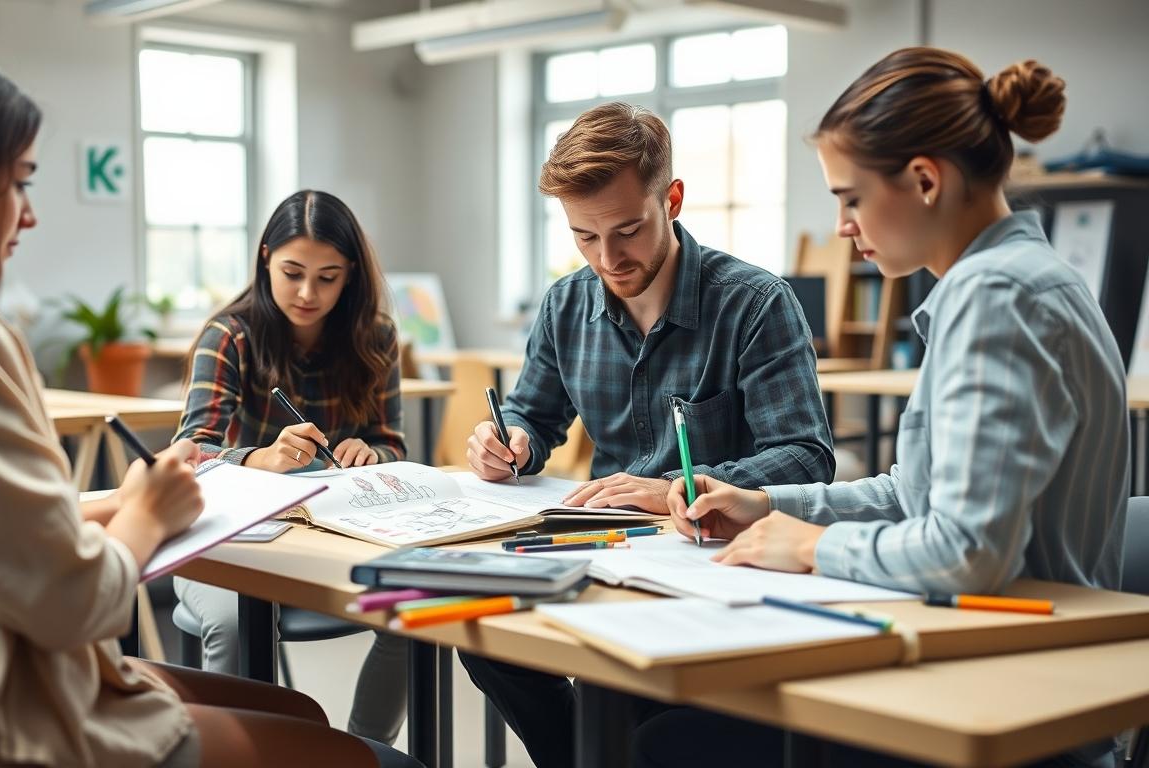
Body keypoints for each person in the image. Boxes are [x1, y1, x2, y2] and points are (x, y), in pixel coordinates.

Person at [0, 32, 419, 768]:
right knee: (366, 756)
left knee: (297, 709)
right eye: (21, 183)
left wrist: (120, 500)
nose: (27, 216)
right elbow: (78, 603)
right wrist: (145, 514)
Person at [646, 48, 1126, 768]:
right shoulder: (1010, 279)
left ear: (925, 180)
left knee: (669, 739)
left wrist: (807, 548)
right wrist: (766, 503)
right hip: (1000, 655)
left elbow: (966, 553)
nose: (842, 227)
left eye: (850, 198)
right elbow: (914, 495)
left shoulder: (997, 297)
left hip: (1016, 692)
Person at [459, 101, 836, 768]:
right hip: (602, 548)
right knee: (480, 631)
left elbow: (807, 458)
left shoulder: (755, 305)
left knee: (646, 727)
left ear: (674, 199)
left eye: (628, 230)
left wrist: (669, 487)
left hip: (708, 565)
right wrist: (508, 440)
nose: (609, 257)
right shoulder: (565, 304)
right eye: (584, 237)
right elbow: (535, 417)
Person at [172, 189, 410, 746]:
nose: (308, 293)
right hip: (225, 538)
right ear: (264, 258)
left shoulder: (373, 338)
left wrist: (370, 453)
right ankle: (243, 756)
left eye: (328, 277)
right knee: (234, 622)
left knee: (416, 603)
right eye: (293, 272)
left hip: (329, 536)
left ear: (350, 275)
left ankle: (359, 750)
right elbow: (190, 452)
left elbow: (393, 445)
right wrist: (259, 459)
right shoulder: (228, 335)